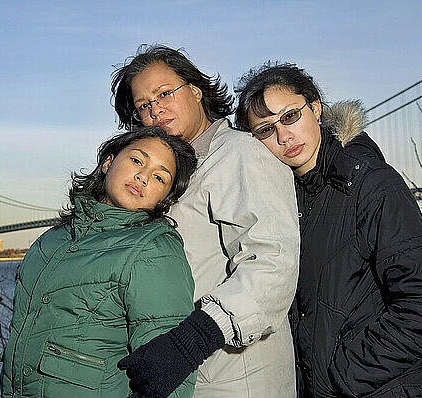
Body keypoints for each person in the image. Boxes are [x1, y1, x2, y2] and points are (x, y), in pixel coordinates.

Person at [234, 63, 422, 397]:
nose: (283, 137)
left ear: (315, 108)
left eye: (289, 117)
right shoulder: (278, 203)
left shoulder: (373, 186)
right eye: (265, 130)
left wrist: (343, 374)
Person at [112, 45, 300, 397]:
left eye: (164, 93)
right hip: (180, 374)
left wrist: (191, 341)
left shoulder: (240, 153)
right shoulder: (168, 173)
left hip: (235, 376)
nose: (156, 109)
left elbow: (273, 261)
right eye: (143, 106)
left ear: (196, 90)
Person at [0, 126, 198, 397]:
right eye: (137, 160)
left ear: (165, 197)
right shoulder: (51, 240)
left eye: (160, 177)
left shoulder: (155, 249)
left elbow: (168, 373)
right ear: (108, 162)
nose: (143, 177)